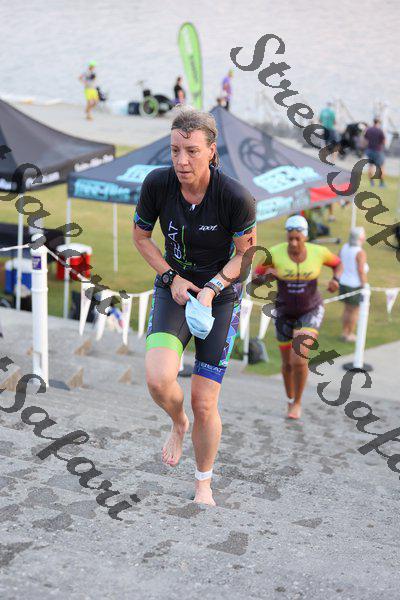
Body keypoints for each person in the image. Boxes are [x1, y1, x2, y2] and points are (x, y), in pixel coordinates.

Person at [132, 106, 256, 506]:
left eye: (191, 151)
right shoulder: (157, 184)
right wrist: (172, 278)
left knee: (204, 401)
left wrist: (213, 286)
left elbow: (246, 255)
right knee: (158, 379)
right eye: (174, 150)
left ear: (211, 151)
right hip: (174, 288)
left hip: (220, 298)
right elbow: (141, 238)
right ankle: (177, 421)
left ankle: (204, 482)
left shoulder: (235, 197)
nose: (181, 161)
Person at [253, 215, 341, 420]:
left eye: (297, 238)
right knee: (287, 364)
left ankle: (298, 402)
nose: (293, 243)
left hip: (310, 310)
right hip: (283, 313)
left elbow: (338, 264)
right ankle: (290, 399)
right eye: (290, 238)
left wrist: (336, 279)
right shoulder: (274, 253)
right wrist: (267, 276)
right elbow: (255, 278)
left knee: (299, 358)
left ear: (305, 237)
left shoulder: (319, 252)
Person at [339, 227, 368, 342]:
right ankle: (349, 333)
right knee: (354, 311)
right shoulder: (360, 252)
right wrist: (364, 285)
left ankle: (344, 332)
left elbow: (339, 260)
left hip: (343, 282)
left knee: (347, 309)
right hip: (354, 285)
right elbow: (361, 271)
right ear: (360, 238)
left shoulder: (344, 247)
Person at [364, 118, 386, 187]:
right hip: (378, 151)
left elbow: (365, 140)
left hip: (369, 150)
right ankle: (381, 183)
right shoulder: (380, 131)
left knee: (370, 166)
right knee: (381, 167)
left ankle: (371, 183)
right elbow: (384, 141)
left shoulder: (369, 130)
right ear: (379, 123)